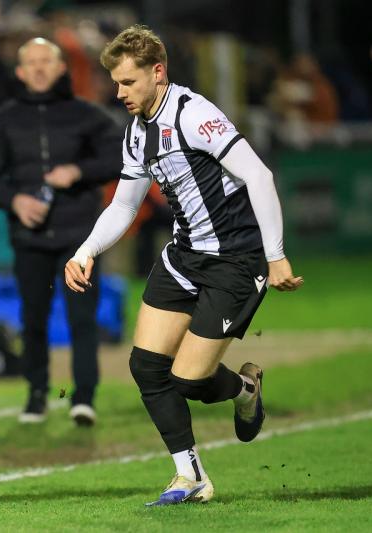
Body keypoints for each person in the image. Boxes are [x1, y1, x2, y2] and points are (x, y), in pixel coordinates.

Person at [64, 25, 303, 505]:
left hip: (236, 259)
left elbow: (259, 174)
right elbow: (125, 207)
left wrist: (275, 255)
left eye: (128, 83)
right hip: (183, 257)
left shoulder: (194, 114)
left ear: (158, 72)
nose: (119, 92)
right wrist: (85, 250)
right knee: (146, 366)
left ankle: (244, 388)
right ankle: (189, 475)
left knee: (189, 380)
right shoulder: (136, 132)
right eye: (115, 83)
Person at [0, 37, 120, 426]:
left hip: (80, 237)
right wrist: (16, 201)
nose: (39, 68)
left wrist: (79, 172)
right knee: (33, 318)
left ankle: (83, 397)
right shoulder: (3, 120)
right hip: (30, 238)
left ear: (60, 69)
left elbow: (119, 154)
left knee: (82, 319)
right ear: (20, 72)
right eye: (31, 62)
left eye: (46, 61)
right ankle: (37, 394)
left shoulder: (86, 116)